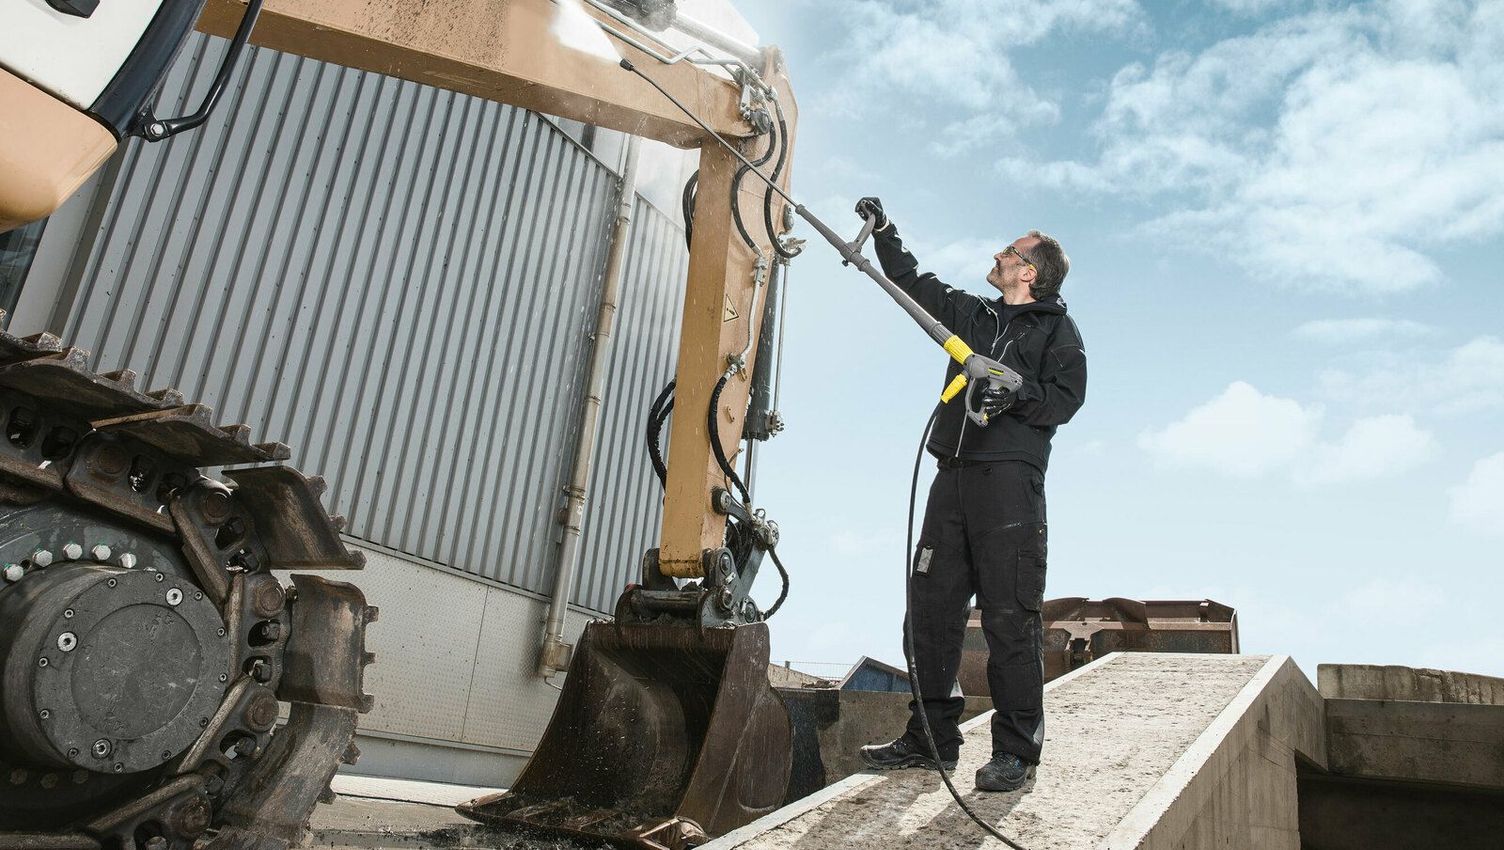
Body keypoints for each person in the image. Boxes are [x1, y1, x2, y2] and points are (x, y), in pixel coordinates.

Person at [852, 197, 1086, 793]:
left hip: (1009, 486)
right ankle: (931, 741)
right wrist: (885, 232)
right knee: (929, 612)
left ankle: (1015, 753)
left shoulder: (1058, 331)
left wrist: (1017, 392)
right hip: (951, 478)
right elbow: (913, 283)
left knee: (1010, 617)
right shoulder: (975, 315)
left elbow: (1066, 399)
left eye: (1009, 252)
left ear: (1029, 271)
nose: (998, 255)